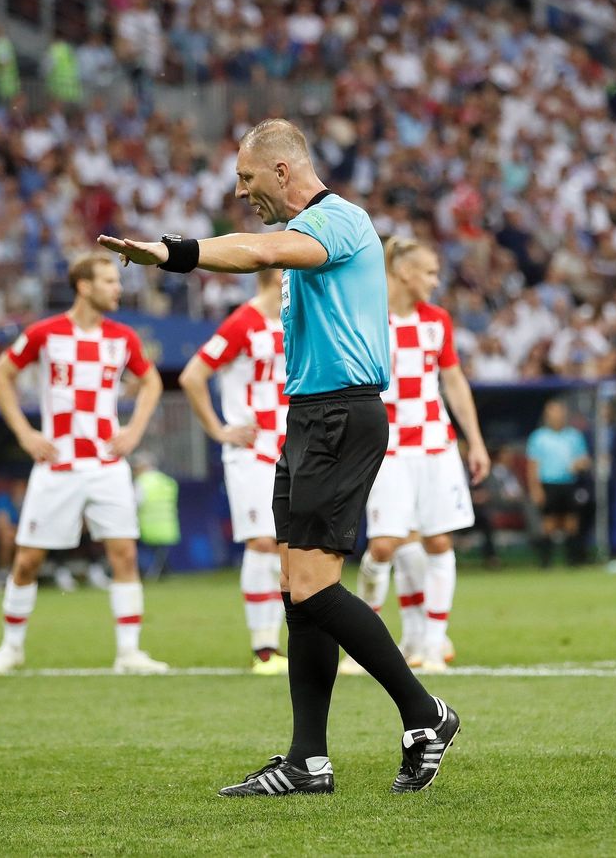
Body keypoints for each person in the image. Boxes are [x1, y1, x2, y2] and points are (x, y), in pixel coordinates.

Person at [100, 118, 459, 796]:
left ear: (284, 171)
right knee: (299, 592)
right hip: (310, 416)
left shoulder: (341, 221)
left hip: (340, 414)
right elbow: (262, 248)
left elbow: (255, 251)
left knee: (313, 588)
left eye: (246, 178)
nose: (240, 191)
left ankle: (425, 713)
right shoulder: (311, 233)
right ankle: (307, 761)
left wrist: (173, 253)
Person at [0, 255, 168, 677]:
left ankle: (129, 652)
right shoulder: (45, 333)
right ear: (84, 286)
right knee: (27, 560)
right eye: (109, 281)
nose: (118, 288)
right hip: (58, 464)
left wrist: (134, 429)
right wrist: (26, 434)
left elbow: (152, 381)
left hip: (106, 463)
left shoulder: (123, 337)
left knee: (125, 555)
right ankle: (11, 648)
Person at [352, 236, 489, 672]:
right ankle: (360, 639)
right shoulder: (367, 317)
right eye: (429, 272)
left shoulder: (437, 321)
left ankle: (431, 644)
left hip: (436, 445)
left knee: (438, 539)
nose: (435, 281)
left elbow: (453, 382)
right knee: (385, 546)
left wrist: (476, 440)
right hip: (386, 447)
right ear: (404, 272)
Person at [178, 270, 290, 673]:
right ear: (276, 272)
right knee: (263, 542)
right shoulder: (243, 321)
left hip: (293, 448)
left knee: (289, 547)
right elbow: (193, 375)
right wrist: (219, 430)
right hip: (252, 451)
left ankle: (279, 644)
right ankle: (263, 648)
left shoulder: (298, 318)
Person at [525, 400, 591, 568]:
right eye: (553, 412)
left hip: (569, 483)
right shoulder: (538, 437)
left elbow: (584, 459)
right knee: (549, 523)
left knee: (571, 523)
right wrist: (535, 488)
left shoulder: (574, 436)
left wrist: (580, 464)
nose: (557, 416)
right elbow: (532, 466)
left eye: (560, 412)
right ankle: (546, 562)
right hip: (548, 483)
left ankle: (573, 561)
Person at [132, 453, 180, 580]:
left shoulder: (142, 482)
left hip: (148, 526)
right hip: (167, 524)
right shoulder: (167, 481)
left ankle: (149, 573)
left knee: (144, 553)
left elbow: (136, 502)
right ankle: (162, 572)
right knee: (161, 553)